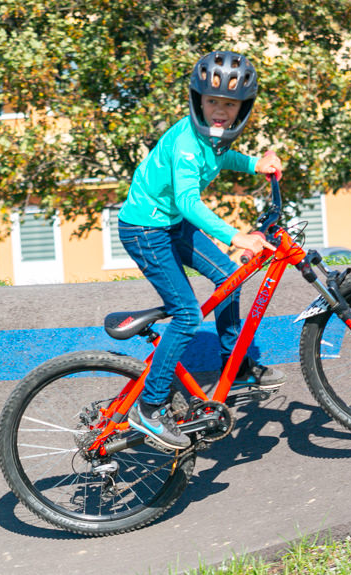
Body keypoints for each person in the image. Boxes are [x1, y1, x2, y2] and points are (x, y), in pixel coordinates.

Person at [118, 50, 285, 450]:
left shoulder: (209, 140)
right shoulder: (186, 146)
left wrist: (255, 167)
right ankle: (150, 407)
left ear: (241, 108)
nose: (220, 111)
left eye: (229, 104)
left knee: (230, 278)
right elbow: (191, 202)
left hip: (170, 224)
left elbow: (224, 157)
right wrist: (234, 237)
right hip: (145, 230)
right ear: (198, 100)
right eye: (213, 102)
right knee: (187, 314)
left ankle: (237, 367)